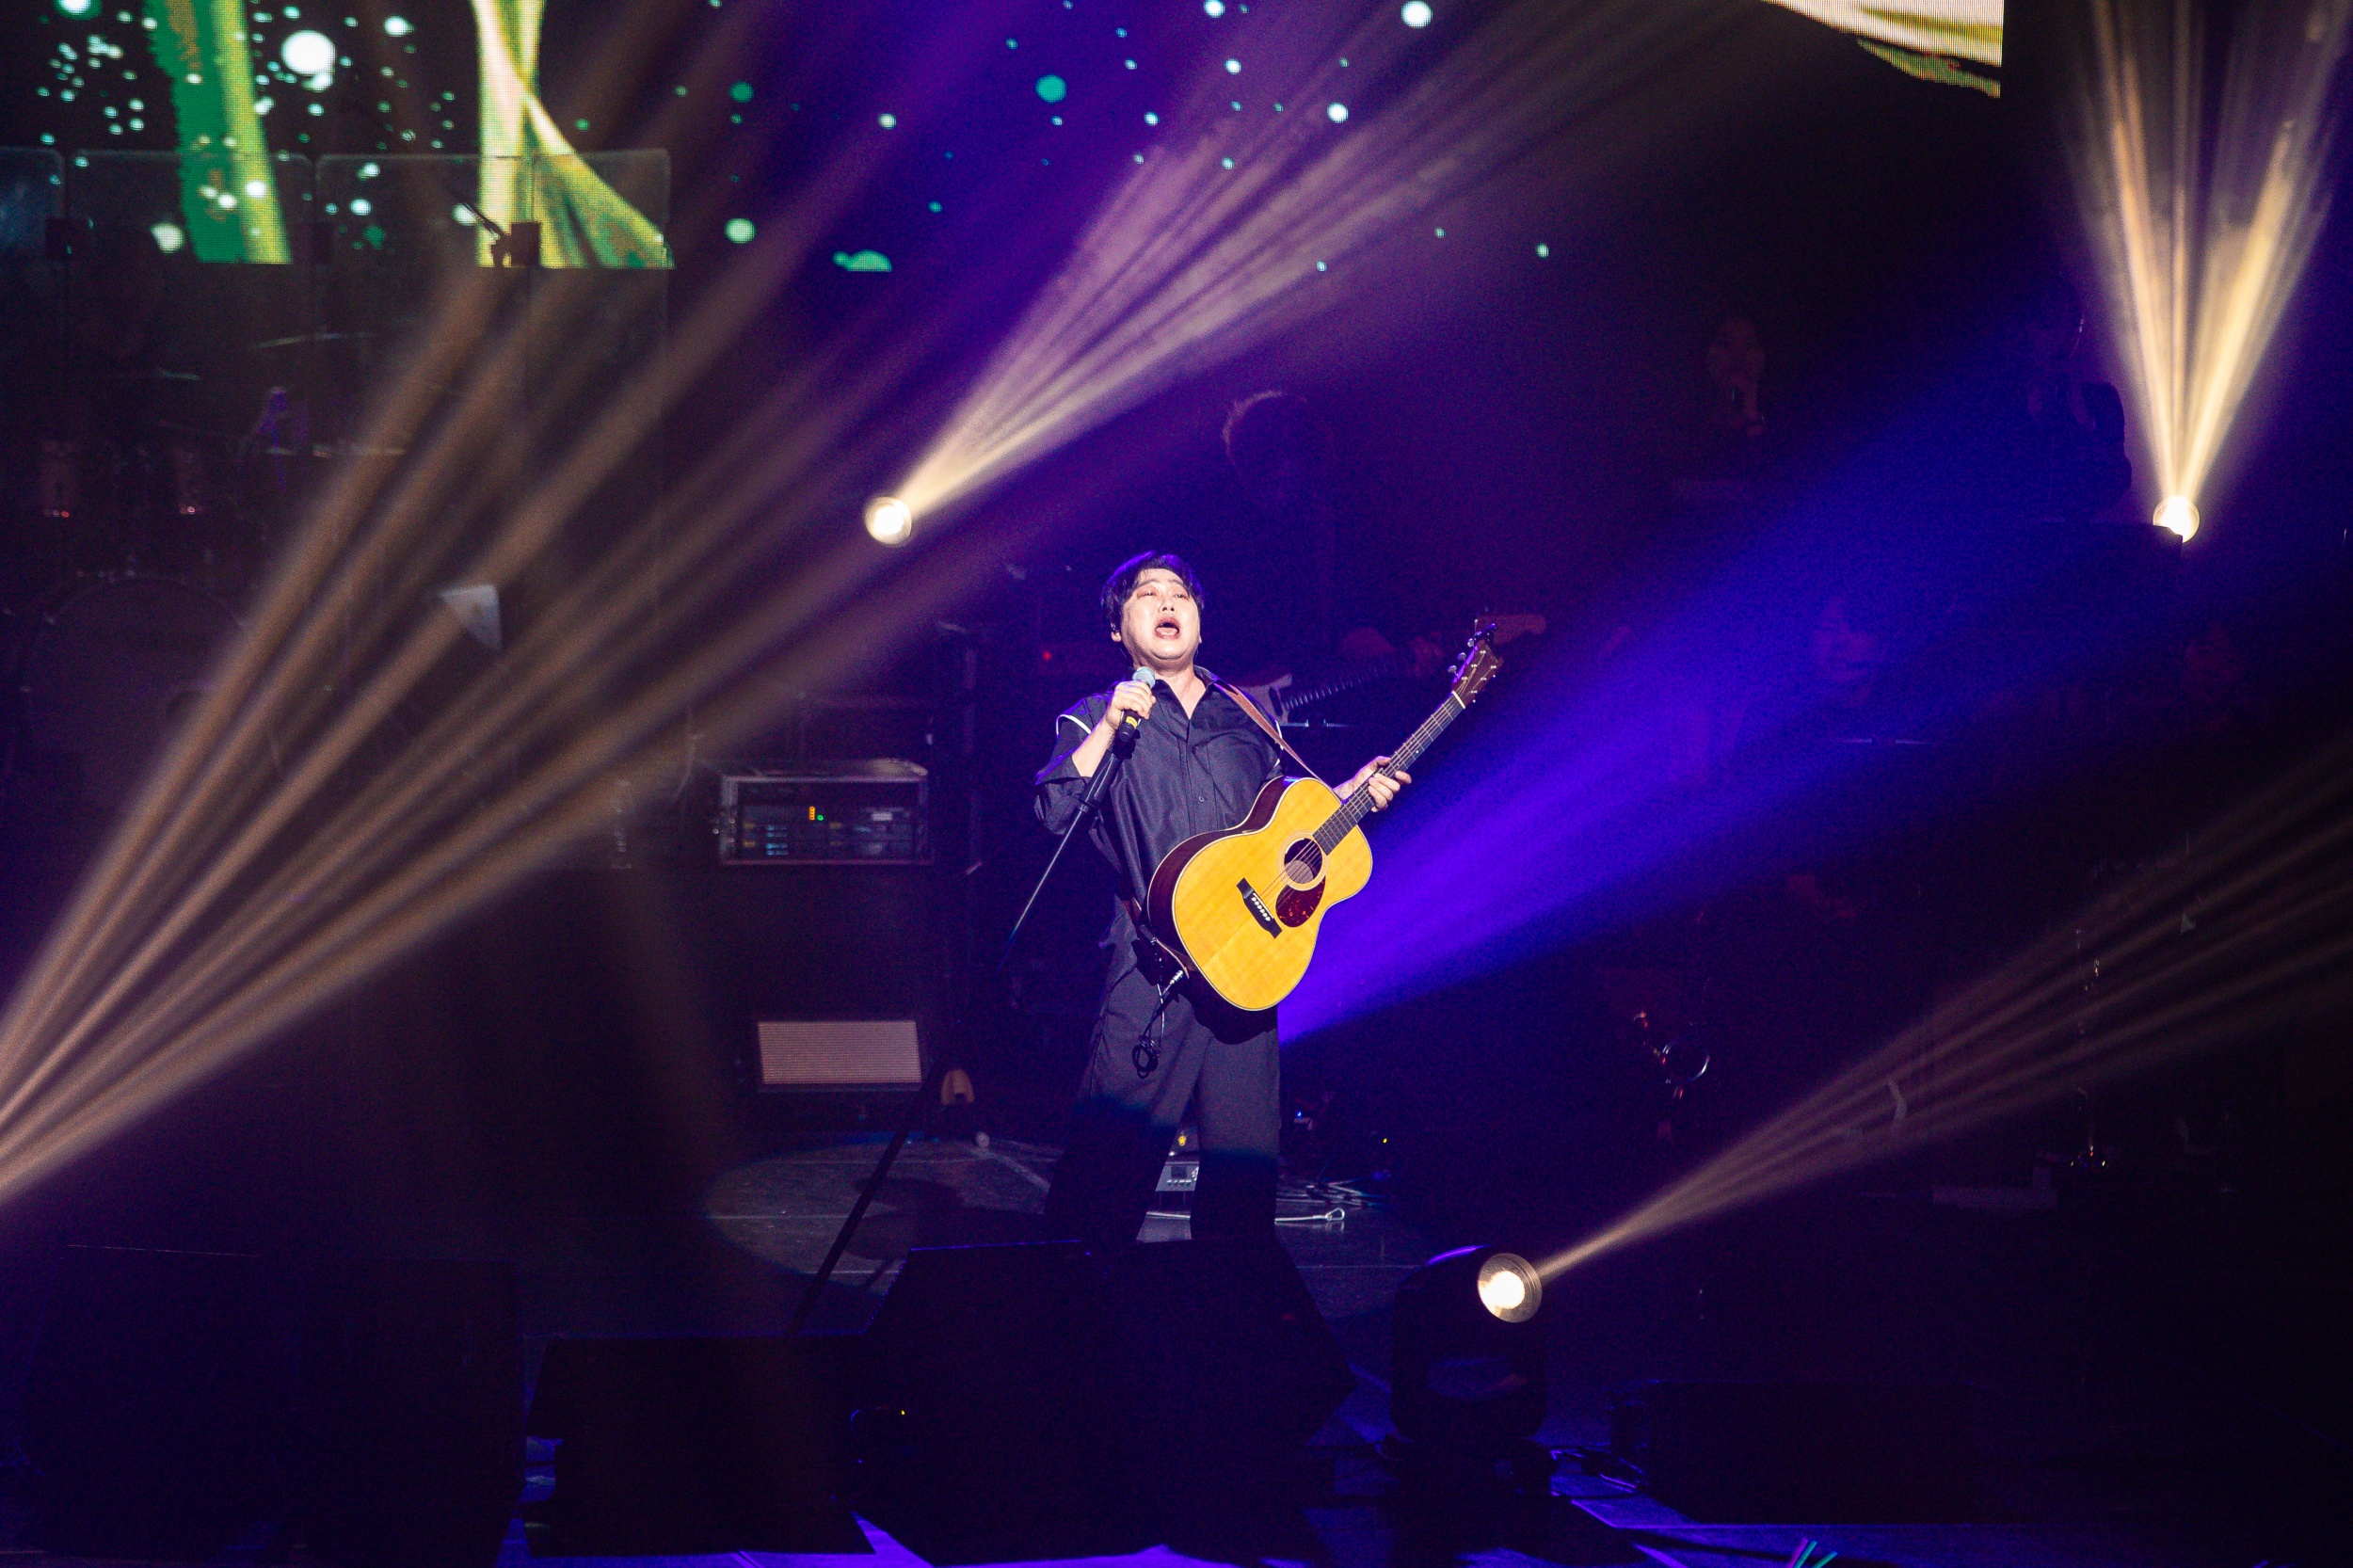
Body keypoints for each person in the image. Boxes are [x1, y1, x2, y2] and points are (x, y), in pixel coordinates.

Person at [1033, 552, 1407, 1251]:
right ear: (1118, 628)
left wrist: (1349, 795)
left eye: (1180, 595)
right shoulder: (1095, 717)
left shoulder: (1247, 718)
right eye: (1147, 595)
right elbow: (1054, 811)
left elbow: (1285, 828)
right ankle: (1070, 1305)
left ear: (1200, 625)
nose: (1167, 603)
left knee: (1243, 1185)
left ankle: (1228, 1308)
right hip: (1154, 970)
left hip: (1248, 970)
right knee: (1103, 1178)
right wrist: (1112, 724)